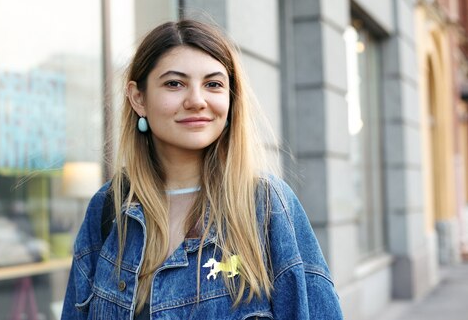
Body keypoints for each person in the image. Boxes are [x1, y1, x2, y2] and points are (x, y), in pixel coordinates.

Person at [61, 19, 344, 319]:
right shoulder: (109, 208)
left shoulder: (267, 206)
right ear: (138, 98)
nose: (196, 100)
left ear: (230, 99)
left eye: (213, 84)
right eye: (174, 83)